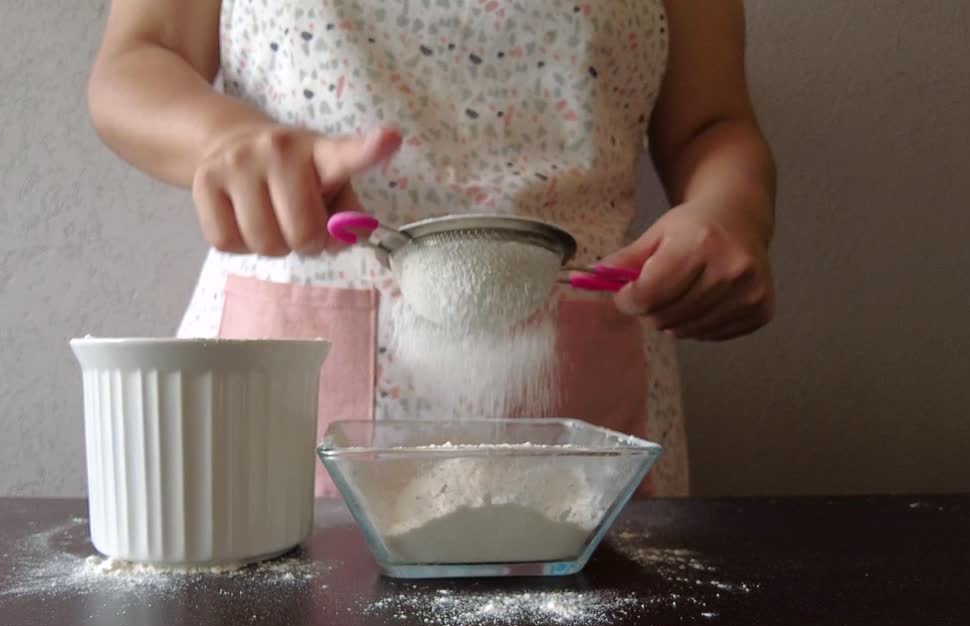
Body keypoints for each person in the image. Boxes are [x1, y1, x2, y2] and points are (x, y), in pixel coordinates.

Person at [87, 0, 776, 498]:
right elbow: (138, 60)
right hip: (291, 370)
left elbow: (712, 122)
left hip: (577, 379)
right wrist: (224, 141)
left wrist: (733, 209)